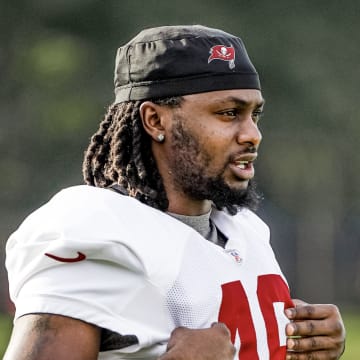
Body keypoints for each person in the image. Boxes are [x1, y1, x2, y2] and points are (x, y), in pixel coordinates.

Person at [4, 25, 345, 360]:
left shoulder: (245, 229)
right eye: (229, 113)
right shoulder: (93, 227)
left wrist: (305, 345)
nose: (252, 134)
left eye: (254, 114)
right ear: (155, 120)